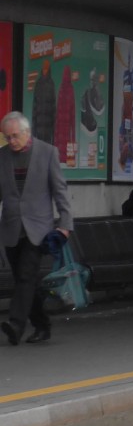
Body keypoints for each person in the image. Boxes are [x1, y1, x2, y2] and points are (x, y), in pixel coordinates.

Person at [0, 111, 73, 345]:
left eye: (14, 136)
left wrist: (65, 224)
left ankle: (15, 325)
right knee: (26, 280)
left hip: (38, 230)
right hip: (12, 228)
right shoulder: (2, 156)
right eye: (7, 137)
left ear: (27, 132)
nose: (11, 141)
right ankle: (42, 325)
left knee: (25, 276)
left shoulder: (47, 153)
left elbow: (60, 191)